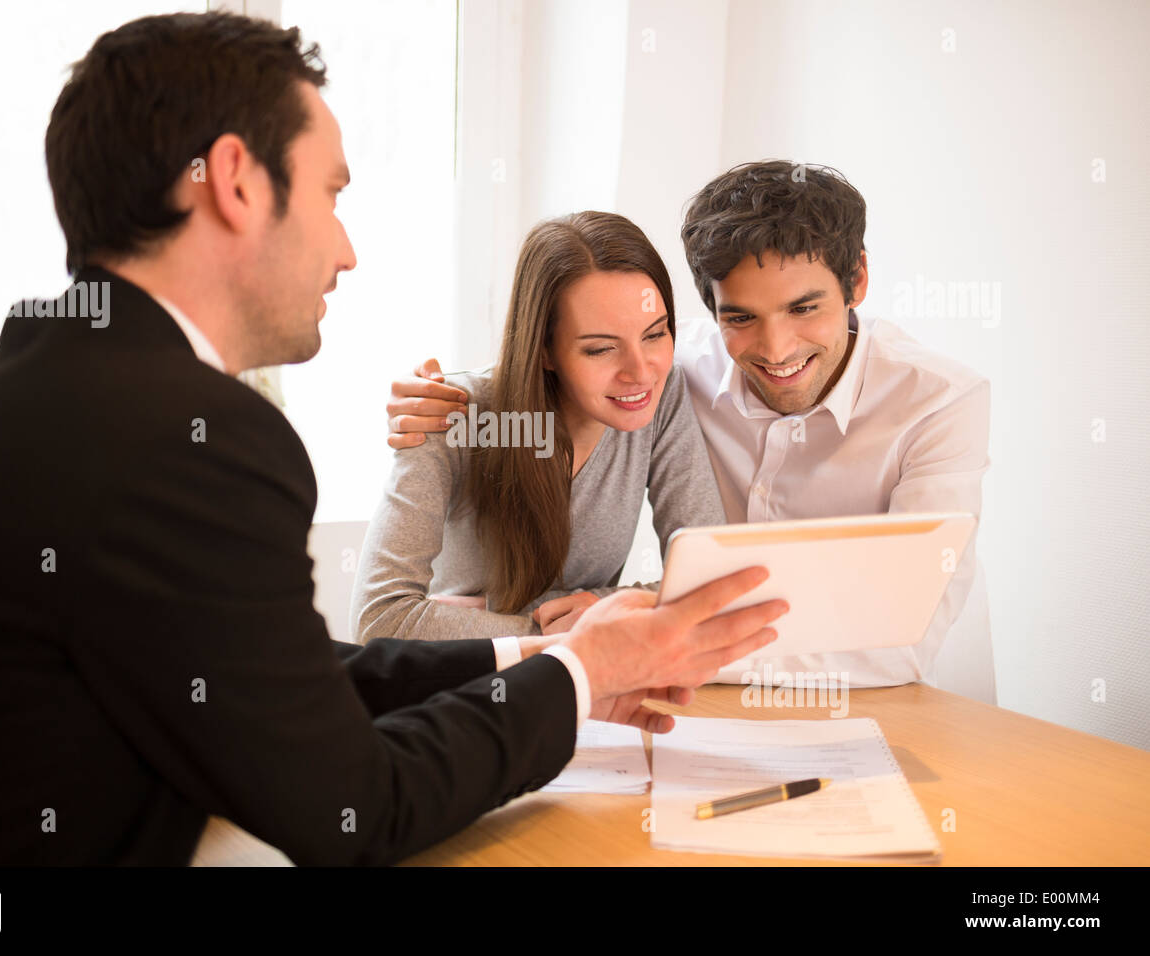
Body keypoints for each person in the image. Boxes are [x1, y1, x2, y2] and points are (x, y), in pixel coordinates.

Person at [0, 12, 788, 866]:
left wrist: (541, 660)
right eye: (331, 194)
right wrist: (587, 672)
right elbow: (356, 808)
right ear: (235, 182)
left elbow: (292, 674)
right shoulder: (186, 439)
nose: (346, 249)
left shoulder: (9, 405)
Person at [386, 161, 990, 687]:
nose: (776, 350)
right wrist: (448, 408)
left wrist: (630, 632)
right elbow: (384, 620)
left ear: (856, 280)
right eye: (741, 317)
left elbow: (901, 637)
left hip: (870, 694)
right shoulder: (671, 374)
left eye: (804, 308)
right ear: (709, 309)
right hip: (614, 691)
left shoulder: (938, 404)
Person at [350, 211, 726, 645]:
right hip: (468, 687)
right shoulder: (451, 415)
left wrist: (601, 608)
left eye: (655, 334)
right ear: (544, 350)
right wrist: (575, 628)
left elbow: (709, 585)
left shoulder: (665, 393)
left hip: (580, 684)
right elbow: (379, 621)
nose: (641, 372)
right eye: (601, 349)